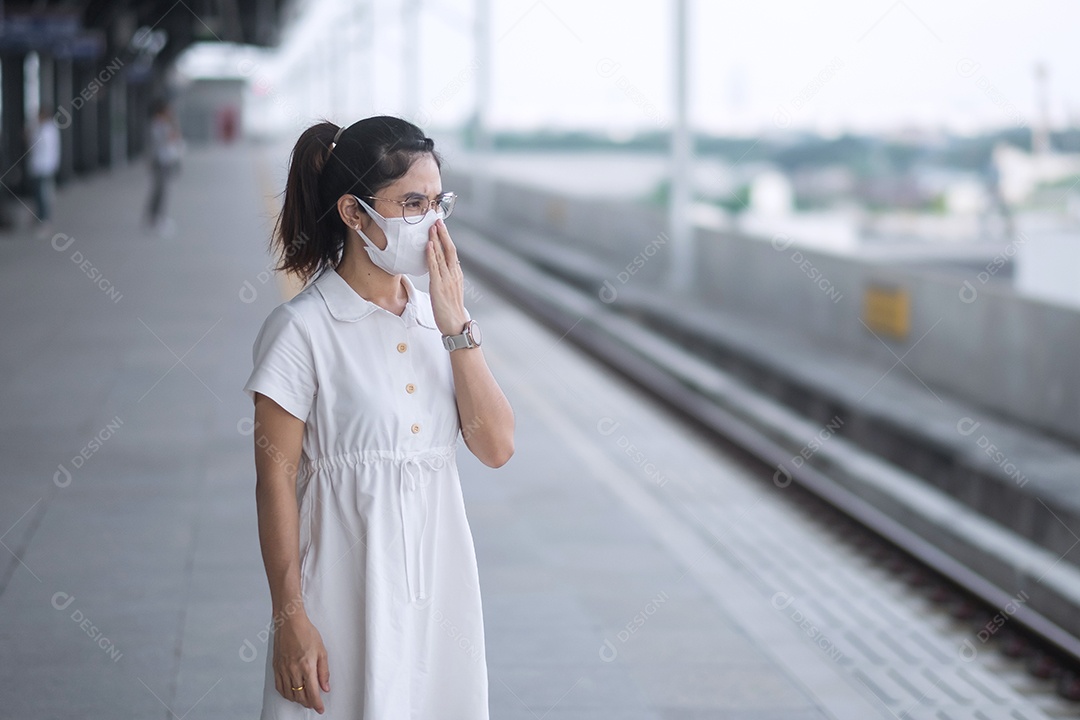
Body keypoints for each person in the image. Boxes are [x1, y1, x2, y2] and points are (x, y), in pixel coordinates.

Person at [243, 116, 515, 719]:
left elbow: (496, 447)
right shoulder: (300, 330)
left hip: (439, 592)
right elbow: (273, 485)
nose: (432, 223)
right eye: (413, 204)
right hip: (342, 597)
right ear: (354, 212)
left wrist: (455, 326)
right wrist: (289, 617)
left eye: (439, 202)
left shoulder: (439, 321)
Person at [144, 99, 183, 236]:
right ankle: (156, 218)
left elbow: (175, 138)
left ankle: (155, 217)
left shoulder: (166, 124)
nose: (170, 112)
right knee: (160, 191)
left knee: (161, 191)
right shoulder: (157, 125)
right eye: (168, 110)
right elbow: (160, 142)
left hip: (166, 161)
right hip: (159, 162)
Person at [26, 107, 61, 237]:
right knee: (40, 194)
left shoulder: (47, 130)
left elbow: (39, 147)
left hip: (44, 166)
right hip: (41, 166)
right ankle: (39, 218)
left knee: (43, 195)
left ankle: (44, 220)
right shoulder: (45, 129)